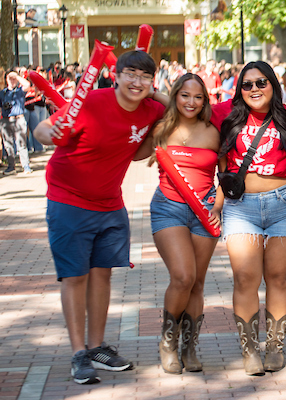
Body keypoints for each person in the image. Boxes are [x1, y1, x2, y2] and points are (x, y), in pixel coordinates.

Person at [33, 51, 167, 385]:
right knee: (74, 277)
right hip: (68, 201)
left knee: (102, 275)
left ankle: (97, 347)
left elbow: (176, 104)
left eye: (145, 76)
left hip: (110, 203)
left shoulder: (153, 108)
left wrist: (153, 92)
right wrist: (51, 133)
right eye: (130, 74)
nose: (137, 82)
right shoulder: (91, 102)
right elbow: (42, 130)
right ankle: (79, 352)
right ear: (116, 75)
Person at [210, 61, 286, 376]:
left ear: (273, 85)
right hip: (242, 207)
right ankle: (249, 349)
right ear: (240, 88)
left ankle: (275, 346)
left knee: (279, 279)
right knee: (245, 278)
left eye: (262, 82)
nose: (255, 89)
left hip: (285, 204)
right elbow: (184, 102)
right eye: (248, 84)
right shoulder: (225, 112)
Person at [137, 74, 222, 374]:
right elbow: (132, 153)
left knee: (197, 282)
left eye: (198, 97)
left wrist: (218, 206)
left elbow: (225, 175)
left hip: (205, 212)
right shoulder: (162, 128)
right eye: (184, 95)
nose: (191, 102)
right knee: (183, 277)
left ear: (205, 101)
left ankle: (189, 346)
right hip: (168, 209)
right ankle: (167, 341)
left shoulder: (214, 131)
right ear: (175, 96)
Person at [0, 70, 32, 175]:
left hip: (19, 119)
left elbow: (27, 84)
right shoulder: (3, 93)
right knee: (8, 144)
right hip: (6, 120)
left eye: (14, 79)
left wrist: (17, 76)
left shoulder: (19, 91)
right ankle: (11, 166)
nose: (12, 81)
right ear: (6, 80)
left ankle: (25, 165)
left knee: (21, 143)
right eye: (10, 79)